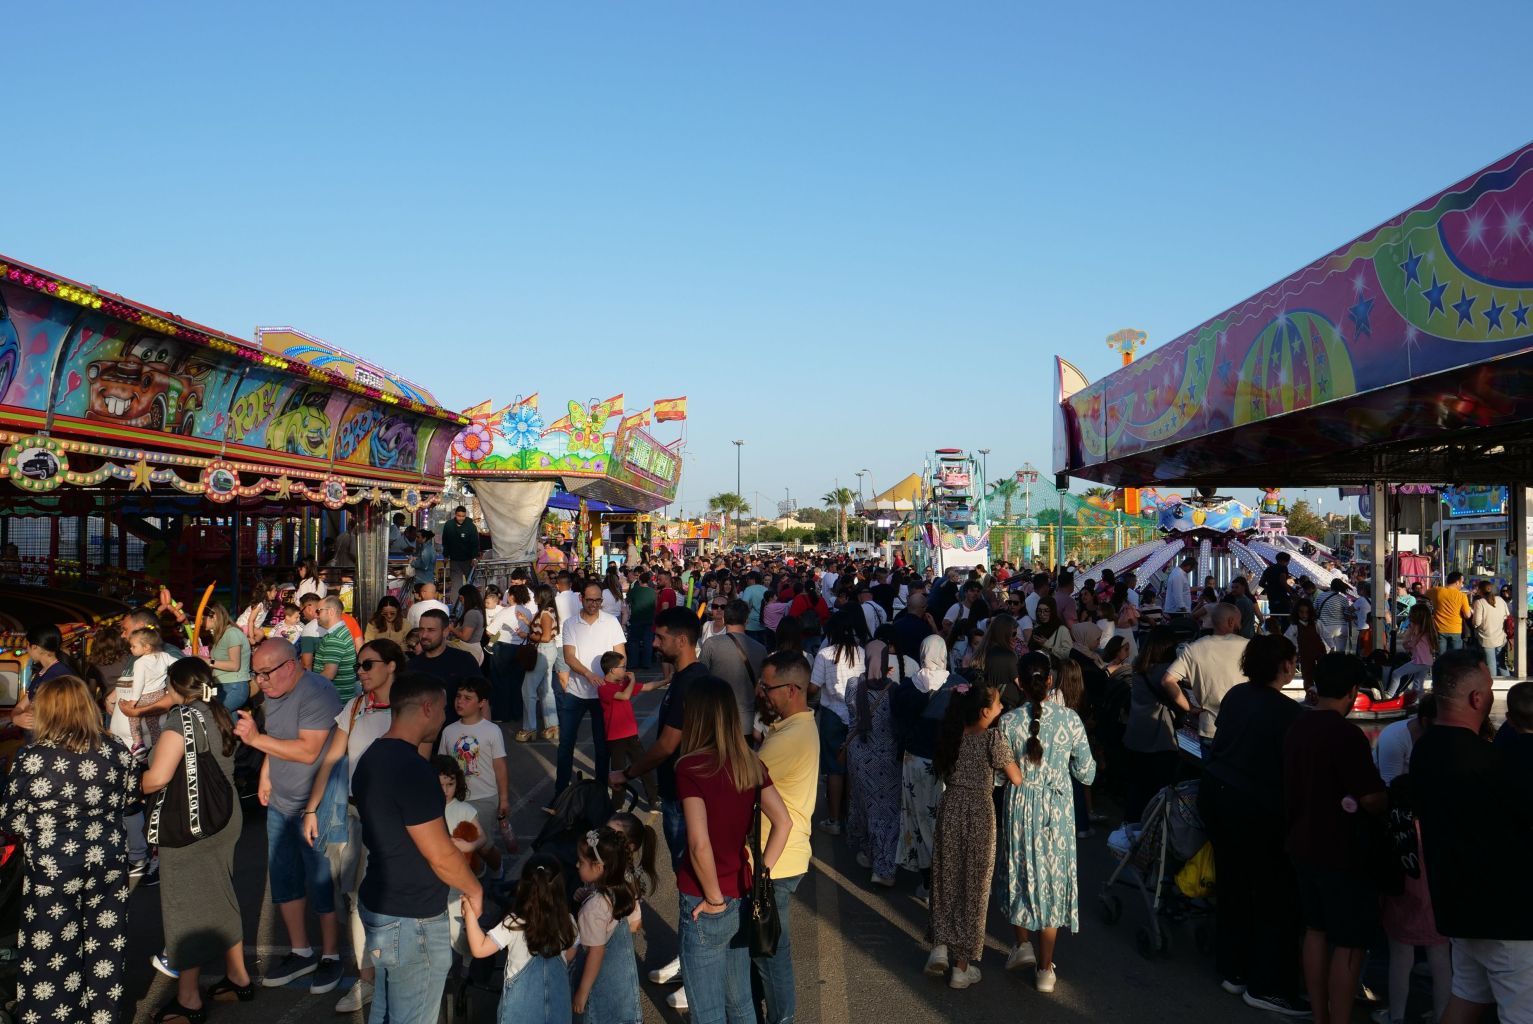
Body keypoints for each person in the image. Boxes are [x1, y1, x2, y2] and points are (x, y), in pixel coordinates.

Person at [2, 676, 137, 1024]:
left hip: (53, 866)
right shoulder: (115, 750)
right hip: (107, 860)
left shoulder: (33, 757)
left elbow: (10, 817)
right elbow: (131, 798)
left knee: (52, 949)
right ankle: (103, 1016)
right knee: (105, 944)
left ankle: (56, 1016)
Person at [352, 672, 484, 1023]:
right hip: (413, 917)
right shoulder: (413, 771)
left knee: (385, 1010)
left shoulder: (371, 758)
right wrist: (474, 889)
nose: (445, 717)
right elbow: (440, 854)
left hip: (381, 902)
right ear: (427, 708)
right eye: (442, 708)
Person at [1412, 649, 1533, 1024]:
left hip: (1457, 904)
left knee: (1467, 997)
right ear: (1477, 698)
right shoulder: (1492, 762)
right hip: (1508, 914)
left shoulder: (1424, 749)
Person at [607, 607, 710, 1012]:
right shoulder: (683, 679)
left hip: (687, 798)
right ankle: (688, 956)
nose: (654, 643)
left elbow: (667, 744)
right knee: (687, 882)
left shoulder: (692, 682)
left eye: (660, 636)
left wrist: (628, 772)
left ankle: (698, 974)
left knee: (693, 885)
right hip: (679, 796)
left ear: (681, 640)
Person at [301, 638, 412, 1014]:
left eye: (368, 665)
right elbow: (331, 758)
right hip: (352, 815)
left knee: (395, 898)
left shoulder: (408, 707)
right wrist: (311, 809)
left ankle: (397, 976)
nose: (360, 672)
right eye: (357, 666)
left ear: (392, 666)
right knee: (356, 900)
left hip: (395, 819)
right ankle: (366, 980)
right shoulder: (354, 707)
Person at [1199, 633, 1307, 1014]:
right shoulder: (1289, 713)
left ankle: (1234, 969)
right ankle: (1268, 985)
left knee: (1233, 884)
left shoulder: (1236, 695)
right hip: (1256, 805)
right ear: (1285, 665)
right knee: (1275, 895)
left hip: (1218, 794)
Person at [674, 677, 792, 1023]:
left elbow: (699, 844)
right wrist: (762, 874)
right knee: (739, 1001)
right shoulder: (750, 763)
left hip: (703, 895)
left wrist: (713, 899)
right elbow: (784, 822)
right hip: (742, 889)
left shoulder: (690, 768)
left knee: (707, 1010)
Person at [142, 659, 253, 1019]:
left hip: (193, 820)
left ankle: (188, 998)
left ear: (176, 687)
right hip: (225, 813)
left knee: (186, 907)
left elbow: (159, 777)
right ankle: (238, 977)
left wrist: (130, 784)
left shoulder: (182, 719)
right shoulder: (218, 712)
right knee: (221, 894)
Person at [235, 638, 345, 993]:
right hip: (282, 802)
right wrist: (266, 773)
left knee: (322, 881)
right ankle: (301, 952)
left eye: (266, 673)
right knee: (284, 879)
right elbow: (278, 736)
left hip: (316, 805)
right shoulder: (274, 690)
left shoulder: (318, 693)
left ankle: (331, 955)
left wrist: (255, 742)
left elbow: (308, 751)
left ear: (290, 665)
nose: (260, 681)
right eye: (256, 674)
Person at [1283, 652, 1385, 1024]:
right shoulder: (1346, 735)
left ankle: (1318, 1014)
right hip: (1340, 848)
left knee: (1314, 929)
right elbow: (1371, 798)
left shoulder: (1298, 726)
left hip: (1301, 840)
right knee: (1349, 941)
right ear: (1353, 691)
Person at [998, 652, 1095, 994]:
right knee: (1051, 880)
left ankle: (1022, 944)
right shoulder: (1070, 720)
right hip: (1057, 810)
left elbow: (998, 776)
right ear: (1050, 681)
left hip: (1020, 805)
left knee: (1020, 871)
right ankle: (1044, 968)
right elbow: (1087, 772)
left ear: (1020, 684)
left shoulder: (1008, 722)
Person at [925, 678, 1023, 989]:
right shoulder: (993, 738)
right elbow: (1016, 778)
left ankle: (940, 946)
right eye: (998, 704)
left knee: (945, 878)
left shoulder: (952, 734)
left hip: (951, 806)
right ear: (984, 711)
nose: (1002, 707)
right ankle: (961, 967)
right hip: (980, 812)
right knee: (974, 888)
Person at [1372, 695, 1452, 1024]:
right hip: (1434, 885)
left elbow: (1391, 790)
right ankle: (1443, 1014)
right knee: (1440, 952)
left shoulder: (1403, 828)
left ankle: (1397, 1015)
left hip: (1405, 885)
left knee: (1401, 951)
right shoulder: (1398, 739)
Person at [752, 651, 818, 1024]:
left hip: (774, 863)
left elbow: (742, 785)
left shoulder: (790, 738)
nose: (761, 692)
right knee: (767, 951)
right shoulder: (793, 727)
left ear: (792, 689)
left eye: (767, 686)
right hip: (782, 858)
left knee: (771, 956)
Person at [460, 854, 576, 1024]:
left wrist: (470, 914)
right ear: (559, 890)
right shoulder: (568, 921)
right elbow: (570, 954)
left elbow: (479, 949)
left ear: (522, 888)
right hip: (557, 1013)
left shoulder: (514, 923)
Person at [557, 582, 626, 798]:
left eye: (598, 600)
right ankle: (560, 793)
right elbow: (569, 656)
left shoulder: (611, 622)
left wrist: (616, 679)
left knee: (602, 746)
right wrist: (588, 674)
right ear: (581, 599)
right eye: (590, 600)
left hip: (603, 694)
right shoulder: (570, 623)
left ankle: (600, 793)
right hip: (576, 692)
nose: (594, 604)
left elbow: (621, 655)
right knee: (566, 743)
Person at [438, 677, 509, 879]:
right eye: (458, 696)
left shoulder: (492, 731)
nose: (460, 701)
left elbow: (500, 766)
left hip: (484, 798)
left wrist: (504, 799)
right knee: (459, 840)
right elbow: (442, 764)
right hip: (456, 798)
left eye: (467, 698)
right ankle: (473, 877)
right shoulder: (449, 731)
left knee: (483, 845)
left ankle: (497, 870)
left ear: (482, 703)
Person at [571, 828, 641, 1023]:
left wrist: (582, 992)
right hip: (619, 979)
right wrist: (586, 896)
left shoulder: (592, 909)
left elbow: (596, 952)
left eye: (581, 862)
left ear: (598, 867)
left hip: (596, 978)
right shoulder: (619, 887)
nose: (577, 865)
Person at [847, 640, 902, 887]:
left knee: (865, 807)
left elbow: (852, 716)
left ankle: (869, 853)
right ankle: (884, 868)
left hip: (860, 757)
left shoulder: (853, 685)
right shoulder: (894, 690)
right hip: (889, 758)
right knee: (887, 813)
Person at [1160, 602, 1249, 750]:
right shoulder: (1249, 647)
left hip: (1209, 728)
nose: (1240, 625)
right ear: (1231, 621)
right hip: (1242, 727)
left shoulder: (1194, 648)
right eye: (1239, 621)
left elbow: (1167, 681)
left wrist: (1189, 707)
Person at [810, 610, 866, 835]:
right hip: (856, 714)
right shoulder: (861, 652)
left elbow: (814, 687)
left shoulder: (825, 654)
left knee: (834, 768)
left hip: (832, 714)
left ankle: (834, 820)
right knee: (852, 767)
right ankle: (851, 818)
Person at [1120, 627, 1182, 824]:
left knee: (1137, 788)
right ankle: (1152, 831)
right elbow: (1180, 699)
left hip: (1135, 734)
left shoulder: (1138, 666)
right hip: (1158, 738)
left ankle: (1130, 827)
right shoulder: (1165, 672)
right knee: (1158, 790)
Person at [598, 651, 660, 808]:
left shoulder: (622, 683)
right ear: (613, 670)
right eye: (623, 667)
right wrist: (632, 680)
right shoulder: (604, 688)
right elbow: (625, 696)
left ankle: (654, 800)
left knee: (644, 766)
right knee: (618, 771)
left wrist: (667, 680)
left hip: (631, 734)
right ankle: (617, 804)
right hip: (615, 737)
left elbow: (647, 687)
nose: (626, 670)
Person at [699, 598, 767, 736]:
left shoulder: (711, 644)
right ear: (746, 621)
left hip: (717, 720)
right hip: (747, 722)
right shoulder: (760, 649)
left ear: (725, 619)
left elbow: (700, 680)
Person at [406, 609, 485, 709]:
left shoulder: (464, 661)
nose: (424, 635)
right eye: (421, 630)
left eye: (431, 630)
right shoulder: (411, 666)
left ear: (445, 632)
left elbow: (482, 699)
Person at [518, 585, 561, 743]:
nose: (533, 597)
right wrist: (527, 622)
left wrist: (528, 635)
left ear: (541, 596)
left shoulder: (545, 613)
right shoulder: (548, 611)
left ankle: (529, 728)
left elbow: (545, 637)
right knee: (546, 689)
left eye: (536, 594)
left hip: (543, 650)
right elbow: (544, 632)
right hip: (548, 651)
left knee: (528, 689)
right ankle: (552, 726)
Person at [313, 595, 360, 702]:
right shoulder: (341, 631)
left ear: (331, 612)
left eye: (318, 611)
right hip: (338, 700)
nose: (316, 616)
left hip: (333, 702)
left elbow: (329, 674)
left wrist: (308, 684)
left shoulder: (335, 638)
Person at [1425, 571, 1472, 653]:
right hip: (1455, 630)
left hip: (1439, 629)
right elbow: (1467, 615)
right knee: (1455, 656)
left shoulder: (1436, 591)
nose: (1462, 585)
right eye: (1462, 582)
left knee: (1441, 656)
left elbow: (1425, 595)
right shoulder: (1462, 596)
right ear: (1457, 582)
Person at [1472, 579, 1510, 678]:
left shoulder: (1479, 602)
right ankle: (1509, 683)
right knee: (1501, 664)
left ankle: (1494, 685)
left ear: (1480, 590)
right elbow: (1507, 616)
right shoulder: (1500, 600)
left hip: (1487, 638)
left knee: (1491, 666)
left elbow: (1476, 622)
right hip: (1501, 637)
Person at [442, 505, 481, 598]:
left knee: (471, 584)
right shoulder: (448, 525)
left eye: (463, 516)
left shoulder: (471, 526)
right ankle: (456, 604)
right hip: (454, 560)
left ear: (465, 515)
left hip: (468, 560)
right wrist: (446, 555)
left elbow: (475, 543)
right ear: (455, 515)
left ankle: (473, 602)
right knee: (456, 585)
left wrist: (474, 557)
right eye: (459, 516)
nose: (461, 518)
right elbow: (445, 542)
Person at [626, 570, 657, 670]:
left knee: (633, 641)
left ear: (639, 580)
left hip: (635, 619)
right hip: (649, 619)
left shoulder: (634, 590)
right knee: (648, 642)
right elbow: (655, 605)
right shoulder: (653, 592)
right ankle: (646, 663)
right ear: (648, 581)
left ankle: (633, 663)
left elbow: (627, 602)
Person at [452, 583, 487, 664]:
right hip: (474, 650)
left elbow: (465, 637)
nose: (461, 602)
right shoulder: (478, 610)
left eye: (461, 599)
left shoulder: (472, 613)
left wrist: (451, 628)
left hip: (469, 650)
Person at [1163, 556, 1195, 620]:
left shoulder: (1178, 573)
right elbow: (1177, 595)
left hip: (1178, 611)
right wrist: (1184, 610)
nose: (1191, 571)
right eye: (1191, 569)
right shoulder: (1178, 575)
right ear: (1188, 566)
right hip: (1178, 611)